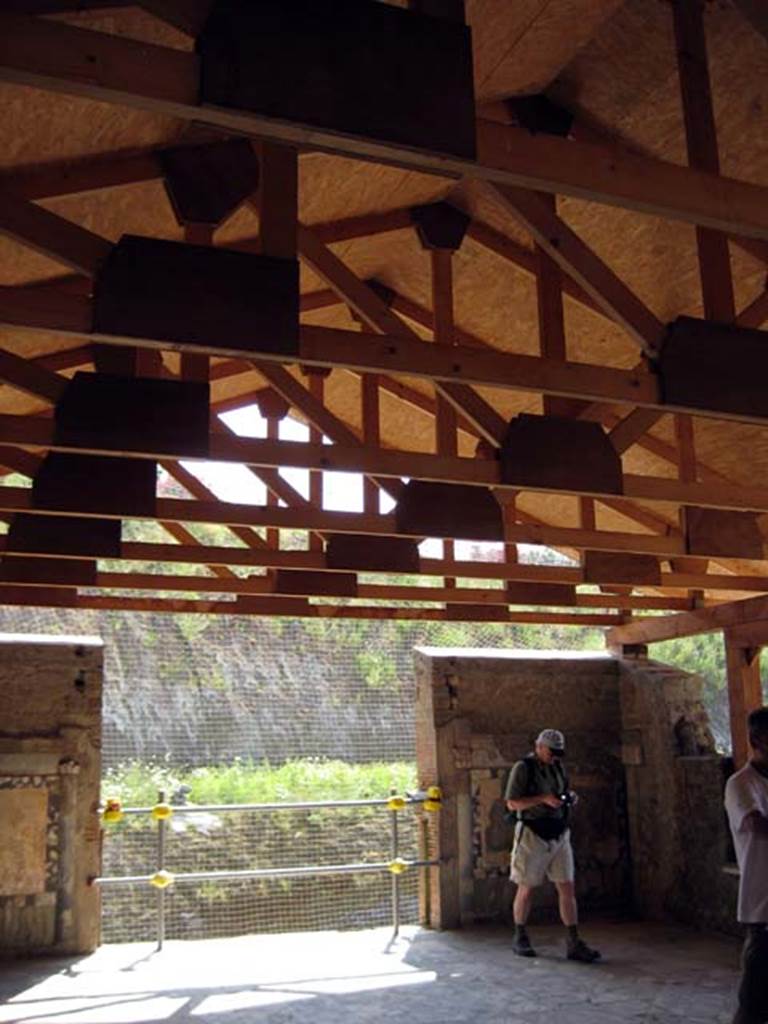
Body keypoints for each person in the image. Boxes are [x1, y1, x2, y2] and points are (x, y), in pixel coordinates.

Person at [504, 728, 601, 962]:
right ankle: (520, 935)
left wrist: (569, 797)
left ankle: (573, 941)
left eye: (558, 753)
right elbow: (512, 803)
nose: (554, 757)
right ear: (539, 747)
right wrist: (542, 799)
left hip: (558, 833)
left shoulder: (558, 766)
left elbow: (562, 791)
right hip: (533, 832)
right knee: (526, 886)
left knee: (567, 886)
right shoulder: (523, 768)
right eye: (551, 752)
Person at [724, 706, 768, 1024]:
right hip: (763, 906)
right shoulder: (741, 784)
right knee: (752, 1004)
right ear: (757, 740)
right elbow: (757, 825)